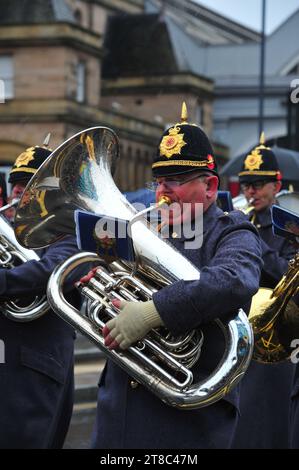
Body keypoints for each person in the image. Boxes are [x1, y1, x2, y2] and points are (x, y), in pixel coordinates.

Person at [87, 104, 262, 449]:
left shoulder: (232, 231)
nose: (163, 193)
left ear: (210, 186)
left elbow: (234, 280)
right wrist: (96, 286)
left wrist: (154, 312)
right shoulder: (143, 230)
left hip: (187, 417)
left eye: (177, 181)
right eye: (160, 181)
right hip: (120, 407)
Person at [0, 143, 84, 449]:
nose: (17, 195)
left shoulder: (71, 233)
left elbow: (54, 271)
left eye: (28, 187)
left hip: (34, 370)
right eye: (15, 186)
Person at [232, 137, 297, 449]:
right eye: (246, 185)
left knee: (267, 423)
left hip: (275, 338)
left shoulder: (289, 226)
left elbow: (288, 274)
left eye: (259, 184)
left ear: (277, 185)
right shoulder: (241, 221)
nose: (251, 192)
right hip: (240, 330)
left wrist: (252, 243)